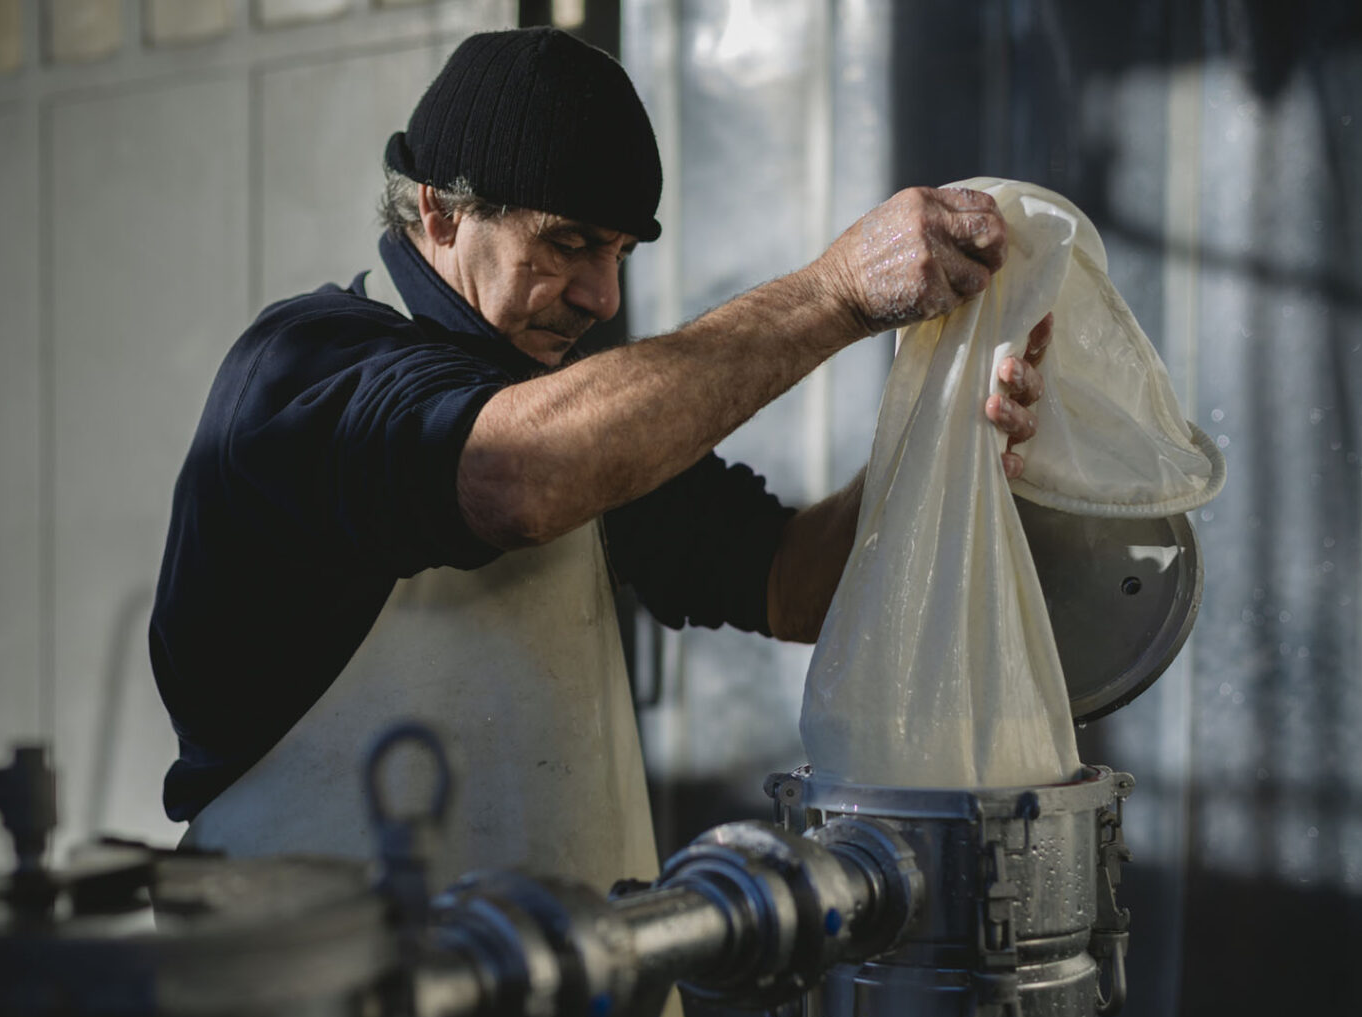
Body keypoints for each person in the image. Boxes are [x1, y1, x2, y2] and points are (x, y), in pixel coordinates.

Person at [150, 27, 1048, 895]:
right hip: (304, 977)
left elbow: (796, 583)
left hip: (560, 974)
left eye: (618, 252)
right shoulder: (309, 368)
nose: (603, 295)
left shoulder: (580, 421)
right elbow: (514, 477)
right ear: (440, 210)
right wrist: (836, 293)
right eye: (568, 242)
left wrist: (947, 435)